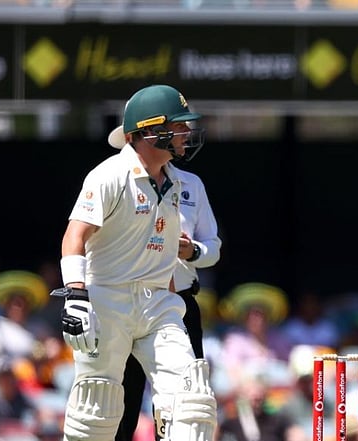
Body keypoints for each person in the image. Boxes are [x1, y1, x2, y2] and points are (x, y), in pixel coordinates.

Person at [54, 84, 217, 441]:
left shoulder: (176, 182)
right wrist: (77, 295)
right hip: (108, 300)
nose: (187, 133)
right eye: (179, 126)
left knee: (192, 401)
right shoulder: (109, 175)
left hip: (158, 301)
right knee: (96, 411)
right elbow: (74, 236)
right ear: (151, 131)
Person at [106, 109, 222, 441]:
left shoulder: (191, 185)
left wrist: (192, 251)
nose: (186, 132)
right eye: (178, 126)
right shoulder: (114, 180)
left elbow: (212, 246)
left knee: (185, 401)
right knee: (122, 403)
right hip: (129, 303)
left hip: (180, 301)